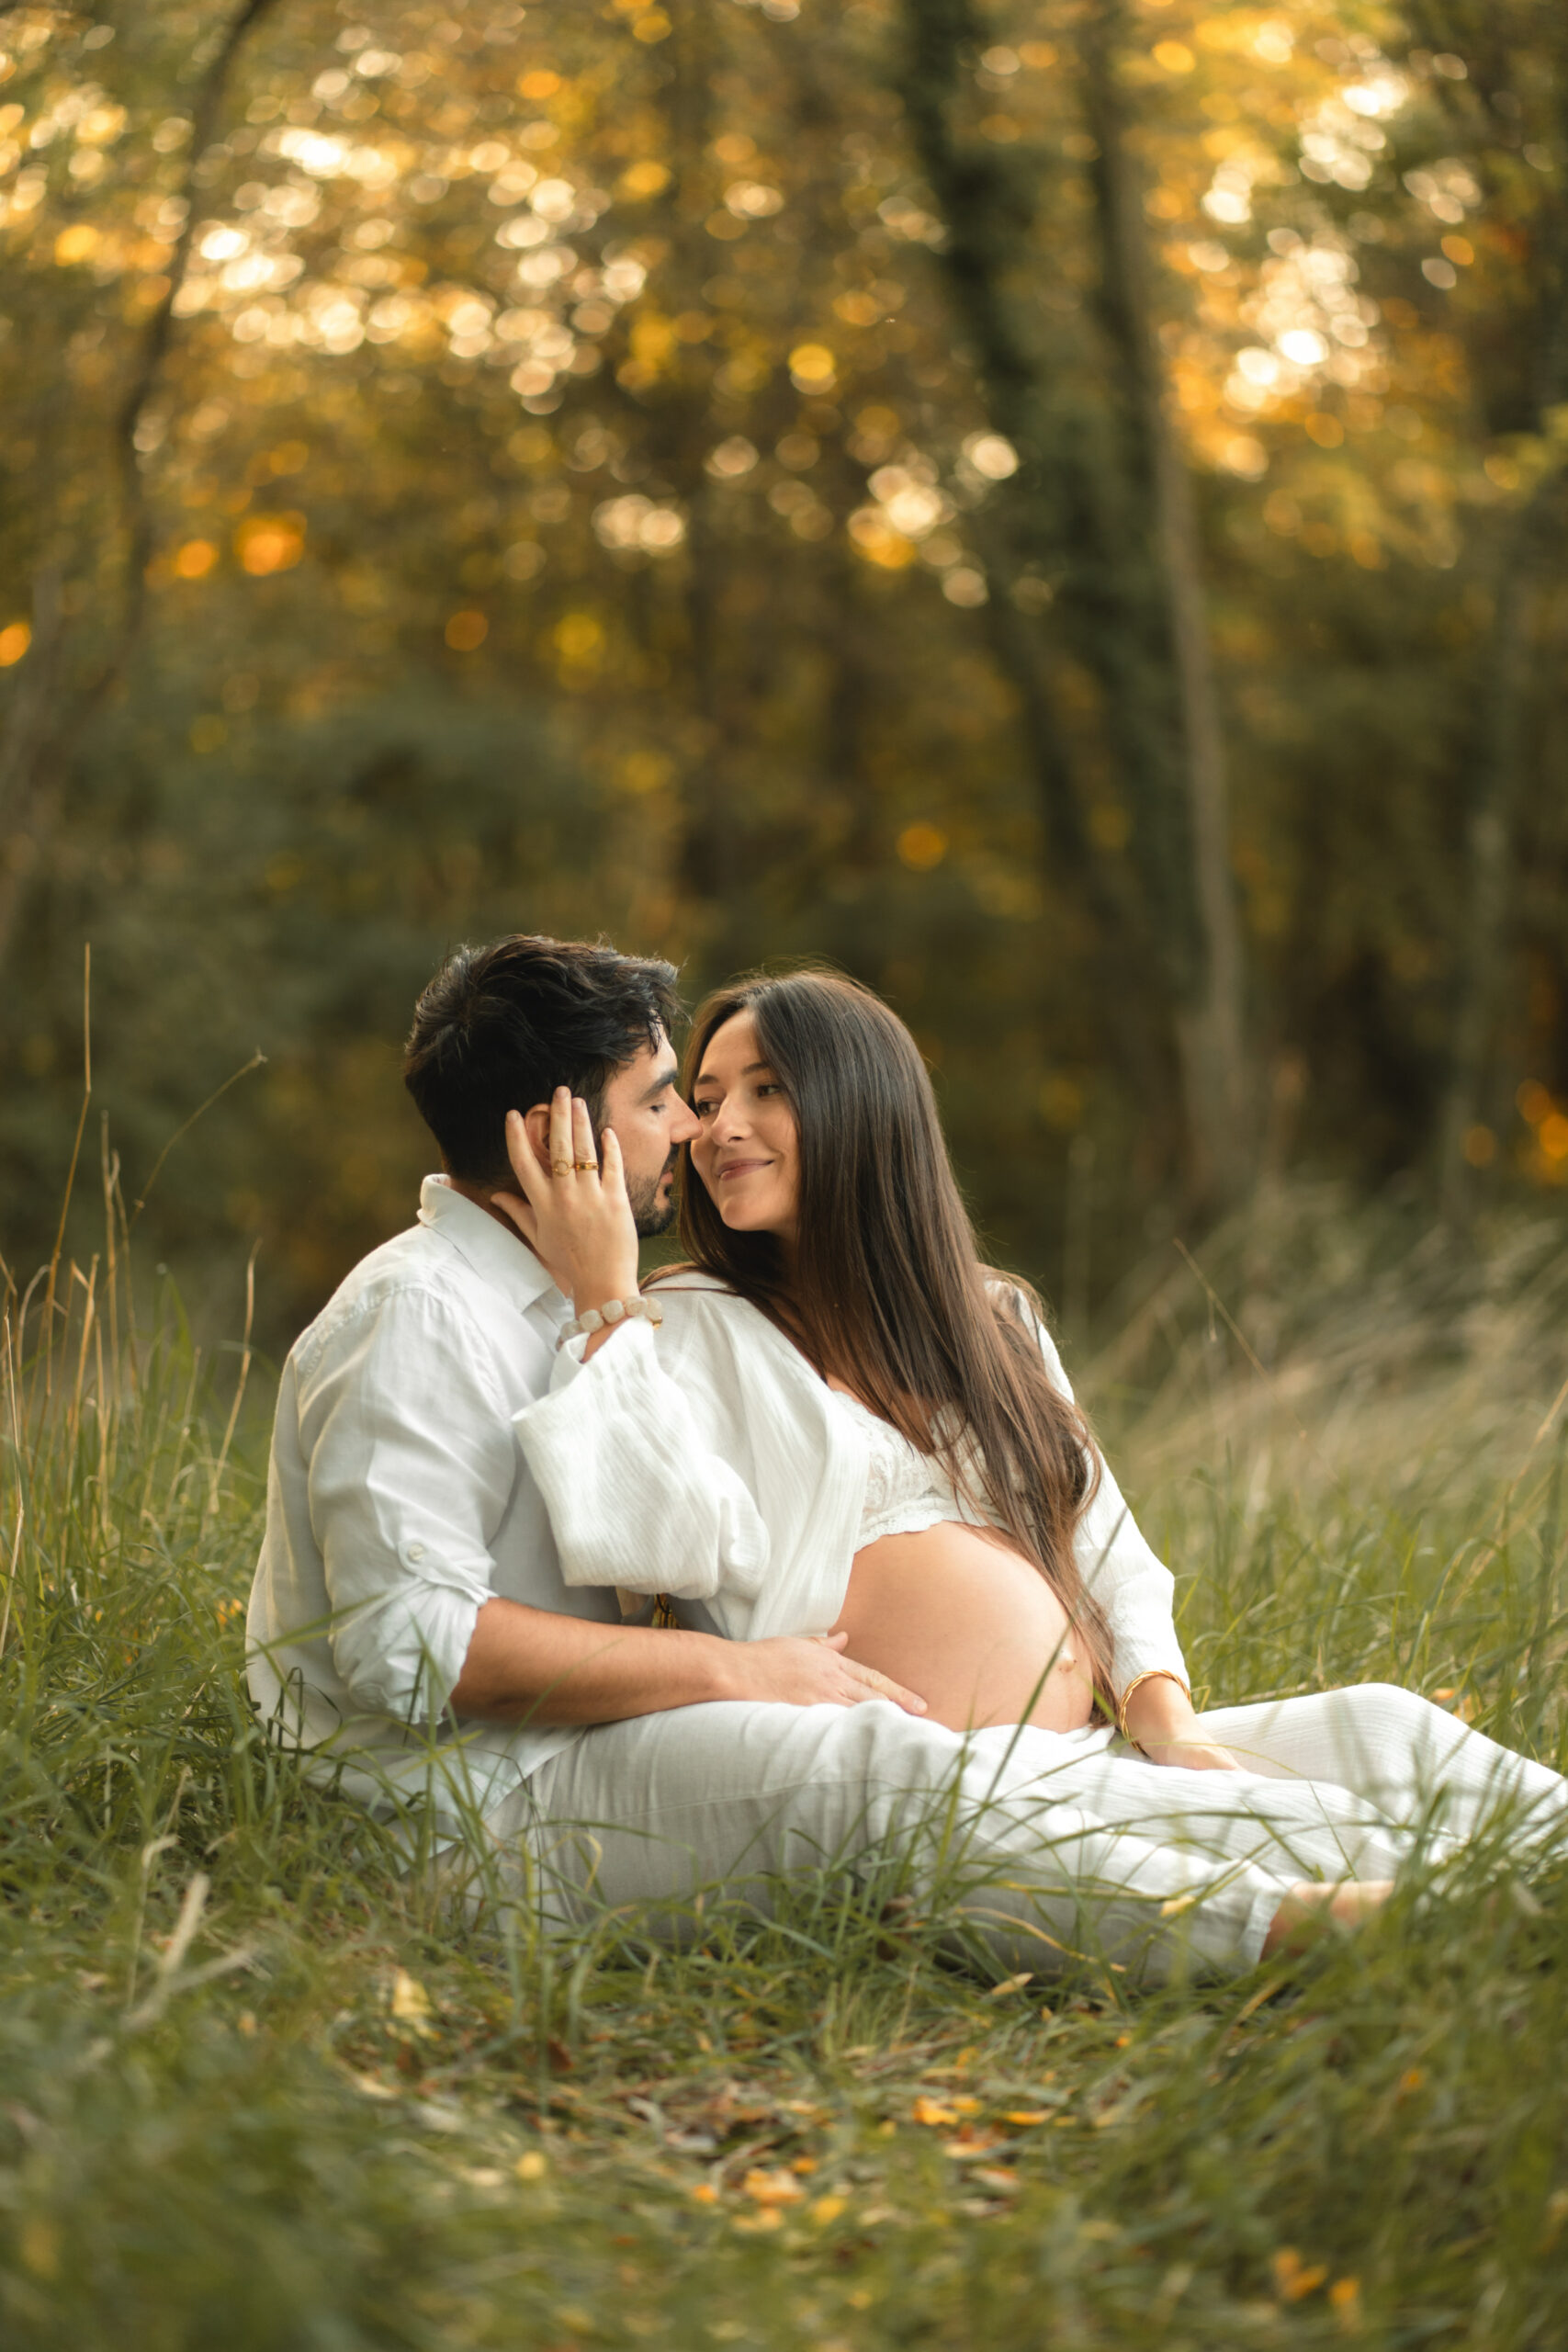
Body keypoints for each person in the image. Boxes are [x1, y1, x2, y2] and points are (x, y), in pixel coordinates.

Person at [244, 940, 1558, 1986]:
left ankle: (1513, 1873)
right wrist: (614, 1321)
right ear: (555, 1135)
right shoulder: (533, 1320)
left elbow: (1099, 1531)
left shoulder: (975, 1317)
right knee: (899, 1780)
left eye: (751, 1094)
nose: (703, 1133)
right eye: (680, 1101)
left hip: (994, 1744)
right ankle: (1390, 1923)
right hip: (525, 1796)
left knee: (1373, 1722)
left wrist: (1157, 1708)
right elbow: (556, 1592)